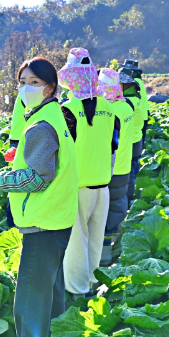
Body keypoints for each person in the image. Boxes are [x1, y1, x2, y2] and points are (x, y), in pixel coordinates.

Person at [0, 57, 78, 337]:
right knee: (52, 288)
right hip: (59, 217)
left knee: (30, 301)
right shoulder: (55, 115)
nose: (26, 88)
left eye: (34, 82)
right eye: (22, 82)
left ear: (50, 87)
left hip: (43, 221)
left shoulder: (41, 126)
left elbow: (36, 179)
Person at [57, 49, 119, 298]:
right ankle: (92, 283)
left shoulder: (67, 109)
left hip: (77, 187)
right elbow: (113, 147)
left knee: (76, 243)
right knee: (94, 238)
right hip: (102, 187)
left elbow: (62, 151)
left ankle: (76, 291)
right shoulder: (109, 108)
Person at [97, 68, 134, 265]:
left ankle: (103, 255)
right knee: (116, 206)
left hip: (109, 169)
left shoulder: (109, 111)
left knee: (104, 211)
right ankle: (110, 247)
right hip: (124, 167)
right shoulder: (126, 107)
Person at [120, 67, 144, 203]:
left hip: (131, 141)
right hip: (137, 139)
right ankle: (129, 198)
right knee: (132, 170)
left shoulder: (128, 103)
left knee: (129, 172)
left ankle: (127, 198)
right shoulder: (136, 98)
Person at [3, 94, 27, 227]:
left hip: (19, 138)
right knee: (18, 184)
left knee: (17, 183)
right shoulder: (31, 92)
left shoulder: (28, 89)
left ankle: (15, 224)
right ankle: (15, 224)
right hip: (21, 140)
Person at [125, 59, 150, 147]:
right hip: (142, 114)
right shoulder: (137, 81)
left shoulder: (134, 82)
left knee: (137, 141)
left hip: (140, 115)